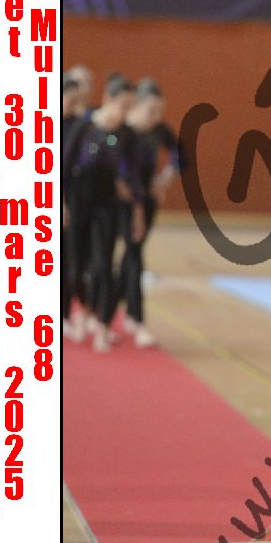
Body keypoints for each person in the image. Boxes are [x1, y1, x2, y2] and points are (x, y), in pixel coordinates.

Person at [63, 75, 145, 351]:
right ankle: (83, 310)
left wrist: (137, 213)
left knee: (104, 265)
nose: (126, 112)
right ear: (108, 99)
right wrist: (62, 203)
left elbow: (133, 176)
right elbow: (64, 166)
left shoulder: (126, 134)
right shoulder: (84, 125)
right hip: (79, 199)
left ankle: (103, 324)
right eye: (123, 105)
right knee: (76, 268)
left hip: (108, 201)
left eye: (131, 107)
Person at [117, 79, 183, 347]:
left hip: (147, 198)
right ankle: (132, 316)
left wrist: (165, 178)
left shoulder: (159, 130)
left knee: (133, 254)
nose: (157, 116)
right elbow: (114, 164)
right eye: (151, 110)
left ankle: (128, 314)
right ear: (137, 105)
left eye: (160, 111)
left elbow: (179, 153)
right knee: (130, 255)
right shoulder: (124, 130)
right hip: (123, 199)